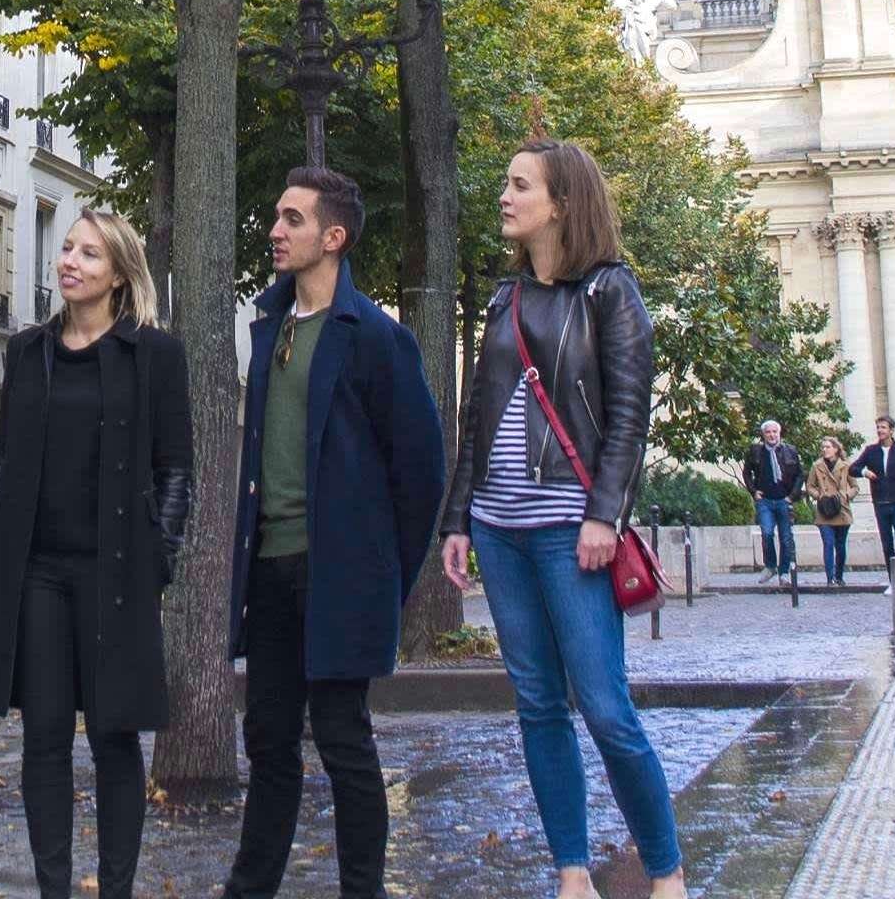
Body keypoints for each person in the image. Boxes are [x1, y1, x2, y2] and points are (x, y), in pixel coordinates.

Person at [440, 141, 687, 899]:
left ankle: (666, 872)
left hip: (570, 531)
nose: (505, 195)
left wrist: (605, 515)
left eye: (521, 185)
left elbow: (628, 419)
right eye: (507, 183)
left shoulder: (610, 291)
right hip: (499, 529)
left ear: (563, 203)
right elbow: (477, 420)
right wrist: (458, 519)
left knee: (606, 709)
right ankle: (572, 874)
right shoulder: (503, 299)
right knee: (539, 706)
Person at [225, 166, 445, 899]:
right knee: (268, 742)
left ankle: (364, 890)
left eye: (292, 219)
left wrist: (380, 576)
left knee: (344, 740)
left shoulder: (376, 338)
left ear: (334, 236)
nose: (275, 231)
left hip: (340, 579)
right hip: (269, 570)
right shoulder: (270, 328)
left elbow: (420, 474)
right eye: (277, 217)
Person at [0, 210, 192, 899]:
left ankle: (116, 888)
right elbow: (2, 457)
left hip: (116, 575)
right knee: (44, 738)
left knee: (114, 738)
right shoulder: (27, 352)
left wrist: (159, 557)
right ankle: (54, 888)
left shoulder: (154, 355)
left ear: (119, 274)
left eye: (89, 254)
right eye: (67, 248)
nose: (69, 261)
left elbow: (176, 470)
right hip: (37, 573)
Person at [849, 416, 895, 571]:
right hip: (880, 503)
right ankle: (893, 578)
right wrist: (865, 472)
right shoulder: (871, 451)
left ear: (891, 430)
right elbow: (852, 469)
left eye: (883, 427)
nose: (880, 430)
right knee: (887, 544)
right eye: (878, 427)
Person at [739, 419, 804, 584]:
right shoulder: (756, 451)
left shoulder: (790, 451)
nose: (772, 435)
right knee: (767, 533)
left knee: (786, 537)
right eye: (768, 432)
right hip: (765, 501)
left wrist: (792, 496)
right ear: (763, 435)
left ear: (779, 433)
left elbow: (800, 475)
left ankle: (784, 572)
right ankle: (770, 566)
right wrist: (753, 491)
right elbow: (747, 473)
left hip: (784, 500)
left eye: (774, 432)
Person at [806, 436, 859, 586]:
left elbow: (855, 486)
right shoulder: (817, 466)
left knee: (840, 545)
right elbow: (810, 486)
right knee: (828, 543)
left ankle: (839, 576)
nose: (824, 450)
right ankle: (830, 578)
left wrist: (846, 496)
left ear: (836, 449)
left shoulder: (846, 465)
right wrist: (819, 496)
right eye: (823, 447)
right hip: (824, 510)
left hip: (841, 509)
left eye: (828, 447)